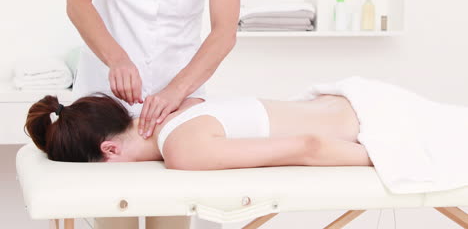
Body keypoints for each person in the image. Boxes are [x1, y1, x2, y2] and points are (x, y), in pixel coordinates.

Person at [66, 0, 241, 227]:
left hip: (178, 101)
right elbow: (77, 1)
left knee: (171, 213)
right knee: (115, 217)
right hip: (106, 99)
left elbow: (225, 31)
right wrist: (118, 60)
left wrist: (177, 90)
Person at [25, 92, 372, 168]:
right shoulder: (176, 109)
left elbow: (308, 146)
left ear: (110, 150)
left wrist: (384, 158)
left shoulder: (181, 150)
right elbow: (197, 99)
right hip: (351, 98)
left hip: (372, 123)